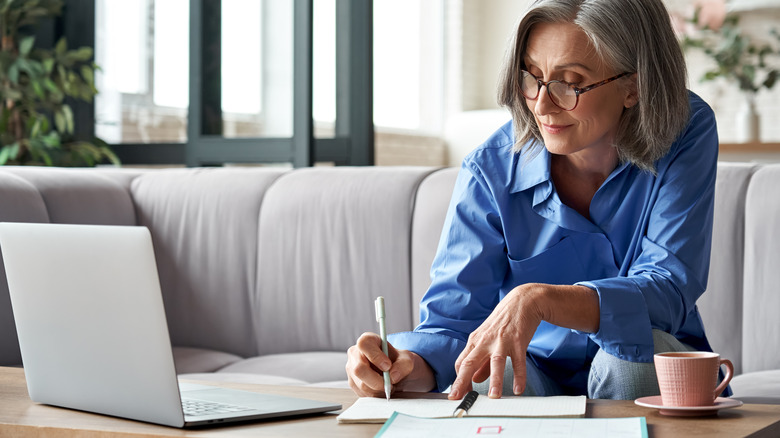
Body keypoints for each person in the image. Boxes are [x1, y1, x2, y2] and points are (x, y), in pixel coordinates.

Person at [346, 0, 720, 401]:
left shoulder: (685, 129)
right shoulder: (490, 169)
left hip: (648, 361)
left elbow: (668, 289)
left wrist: (541, 299)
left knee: (626, 354)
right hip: (537, 373)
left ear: (634, 86)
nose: (542, 106)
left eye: (569, 82)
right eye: (532, 78)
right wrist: (403, 366)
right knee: (489, 369)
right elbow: (453, 326)